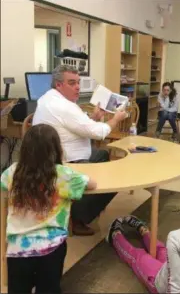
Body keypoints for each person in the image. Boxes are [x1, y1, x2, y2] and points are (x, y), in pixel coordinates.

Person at [1, 124, 96, 294]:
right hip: (51, 248)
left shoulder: (12, 172)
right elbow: (92, 184)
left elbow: (2, 186)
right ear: (56, 149)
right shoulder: (63, 175)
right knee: (49, 289)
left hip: (17, 250)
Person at [33, 65, 125, 236]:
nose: (77, 87)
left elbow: (77, 125)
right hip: (66, 162)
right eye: (72, 83)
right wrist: (115, 119)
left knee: (103, 155)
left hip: (52, 158)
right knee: (116, 179)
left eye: (78, 82)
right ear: (59, 85)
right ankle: (79, 217)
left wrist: (94, 118)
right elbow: (99, 133)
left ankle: (85, 205)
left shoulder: (48, 99)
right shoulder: (64, 106)